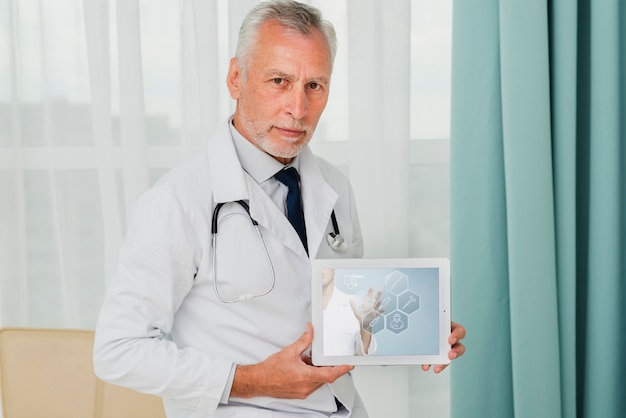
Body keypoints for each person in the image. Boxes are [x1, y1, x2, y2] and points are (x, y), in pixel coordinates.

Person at [93, 1, 466, 417]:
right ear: (236, 78)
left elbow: (335, 329)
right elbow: (118, 351)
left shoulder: (335, 188)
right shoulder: (177, 202)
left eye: (314, 86)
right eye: (279, 81)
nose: (298, 109)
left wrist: (414, 336)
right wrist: (252, 379)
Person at [322, 268, 383, 356]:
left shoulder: (352, 303)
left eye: (325, 265)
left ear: (334, 268)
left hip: (342, 368)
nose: (321, 270)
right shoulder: (300, 303)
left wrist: (365, 326)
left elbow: (363, 352)